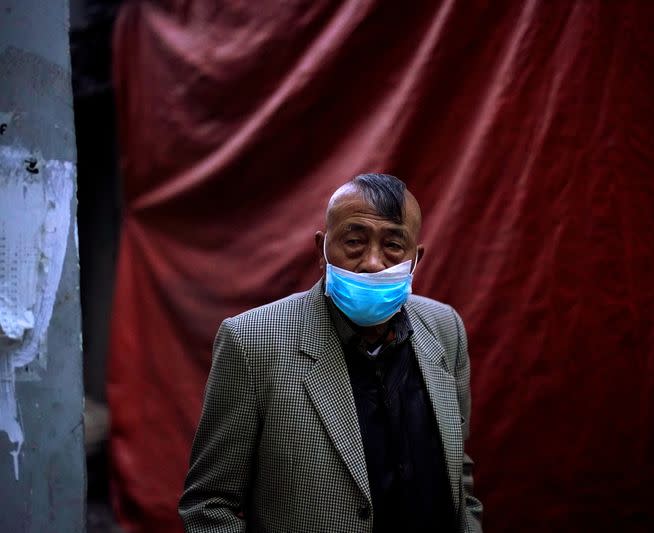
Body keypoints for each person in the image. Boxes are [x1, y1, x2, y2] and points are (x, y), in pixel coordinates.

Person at [179, 173, 483, 532]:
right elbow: (210, 504)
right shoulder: (252, 342)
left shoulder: (446, 329)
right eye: (354, 241)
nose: (372, 262)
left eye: (393, 246)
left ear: (415, 259)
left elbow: (458, 472)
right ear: (321, 251)